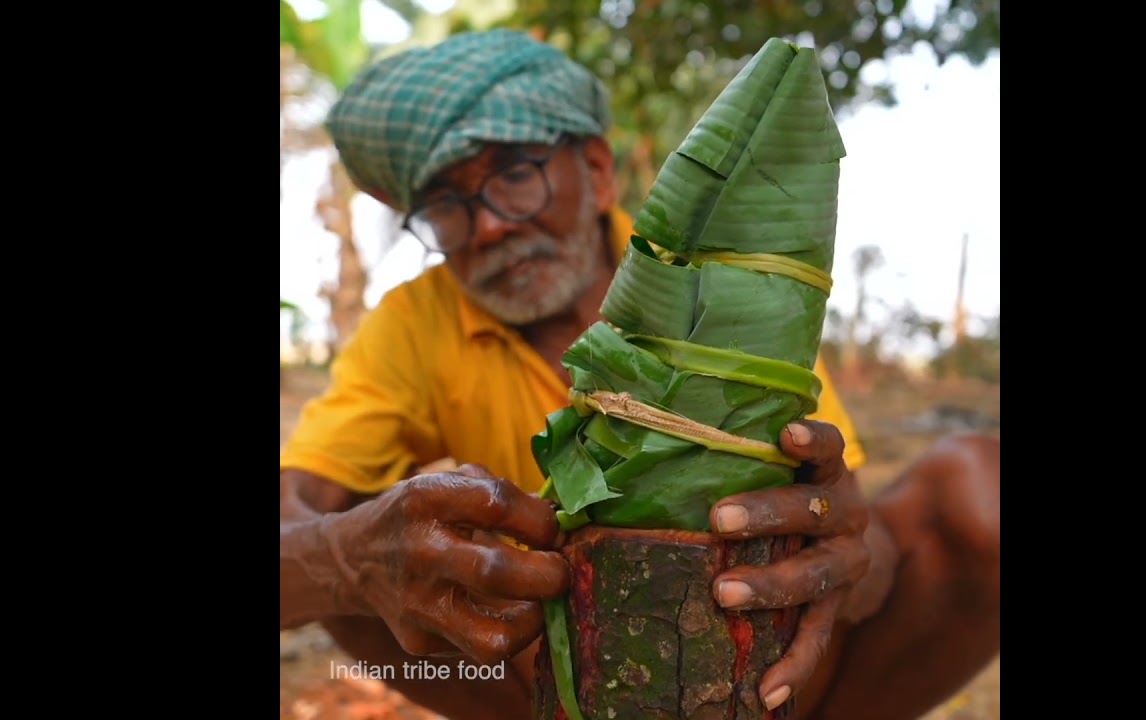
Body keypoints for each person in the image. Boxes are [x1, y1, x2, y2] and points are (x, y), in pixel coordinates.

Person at [279, 28, 1000, 720]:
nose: (490, 225)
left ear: (594, 171)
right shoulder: (416, 321)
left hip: (769, 668)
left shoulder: (726, 278)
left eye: (514, 174)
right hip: (550, 673)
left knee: (980, 490)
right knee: (353, 555)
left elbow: (850, 536)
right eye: (446, 205)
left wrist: (836, 553)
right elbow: (294, 510)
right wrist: (349, 558)